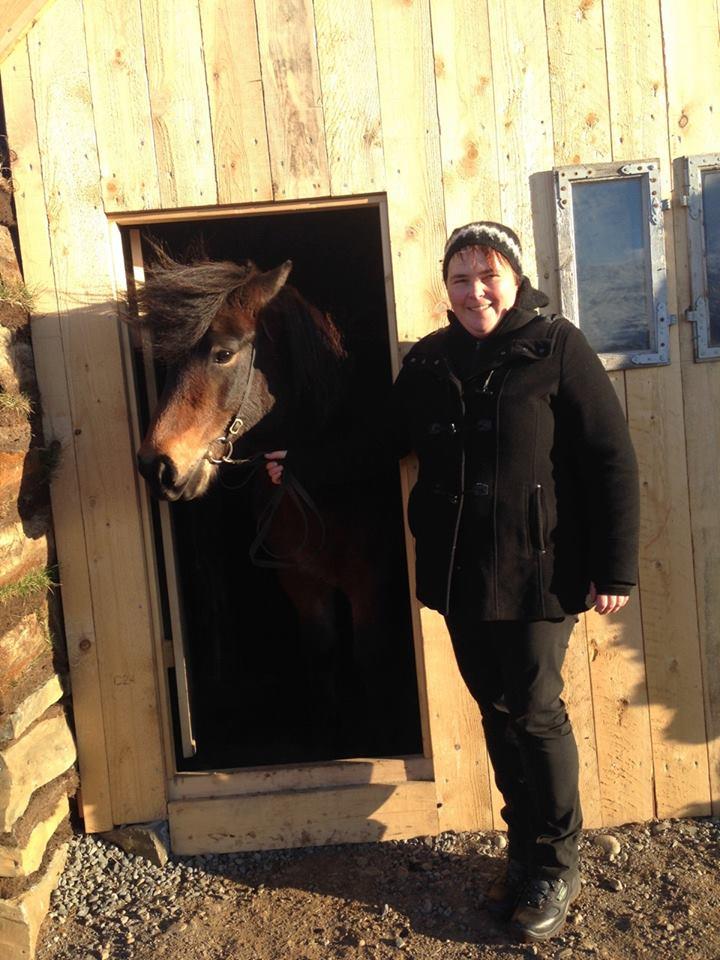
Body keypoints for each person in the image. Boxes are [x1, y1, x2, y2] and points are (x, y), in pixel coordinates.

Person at [389, 222, 640, 943]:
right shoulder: (431, 361)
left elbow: (610, 461)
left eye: (488, 274)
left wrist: (614, 566)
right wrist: (295, 454)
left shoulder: (556, 345)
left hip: (539, 571)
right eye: (461, 278)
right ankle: (524, 852)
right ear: (447, 287)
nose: (475, 291)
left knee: (533, 711)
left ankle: (557, 862)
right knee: (497, 713)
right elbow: (382, 437)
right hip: (460, 569)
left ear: (516, 278)